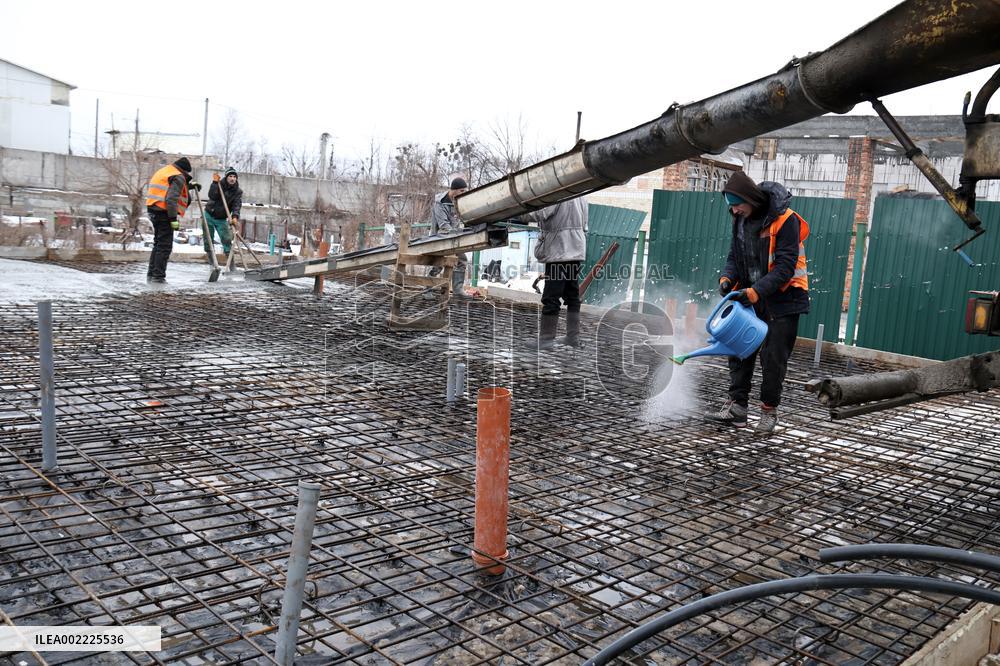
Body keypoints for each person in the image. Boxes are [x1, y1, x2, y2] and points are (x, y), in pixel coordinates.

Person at [704, 171, 810, 435]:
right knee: (738, 349)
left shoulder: (786, 220)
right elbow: (734, 254)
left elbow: (785, 267)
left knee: (772, 359)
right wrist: (728, 277)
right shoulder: (740, 219)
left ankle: (768, 413)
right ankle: (737, 409)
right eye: (731, 206)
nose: (734, 210)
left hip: (783, 301)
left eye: (737, 204)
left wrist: (754, 292)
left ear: (749, 198)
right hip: (752, 298)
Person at [521, 197, 588, 349]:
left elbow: (539, 214)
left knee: (551, 295)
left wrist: (517, 211)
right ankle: (573, 337)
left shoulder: (560, 192)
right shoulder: (581, 195)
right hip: (576, 248)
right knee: (573, 295)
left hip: (559, 249)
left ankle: (546, 339)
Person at [145, 156, 198, 283]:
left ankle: (152, 274)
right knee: (164, 246)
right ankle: (158, 277)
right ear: (184, 171)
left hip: (153, 209)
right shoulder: (178, 176)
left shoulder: (166, 170)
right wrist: (173, 219)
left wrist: (189, 186)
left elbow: (166, 187)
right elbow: (171, 198)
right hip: (163, 213)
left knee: (158, 244)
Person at [426, 177, 469, 297]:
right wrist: (456, 234)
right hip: (439, 238)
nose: (463, 193)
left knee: (462, 260)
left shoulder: (459, 201)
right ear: (453, 190)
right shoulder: (440, 203)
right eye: (462, 191)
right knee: (438, 264)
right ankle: (427, 289)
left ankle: (458, 290)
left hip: (454, 238)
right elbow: (443, 225)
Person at [204, 166, 243, 259]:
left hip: (221, 218)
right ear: (226, 177)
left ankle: (231, 264)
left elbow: (237, 205)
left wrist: (235, 216)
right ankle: (212, 261)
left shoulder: (237, 191)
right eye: (230, 176)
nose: (232, 178)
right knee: (208, 238)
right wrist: (214, 183)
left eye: (234, 176)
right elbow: (212, 196)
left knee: (227, 239)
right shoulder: (219, 184)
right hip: (209, 214)